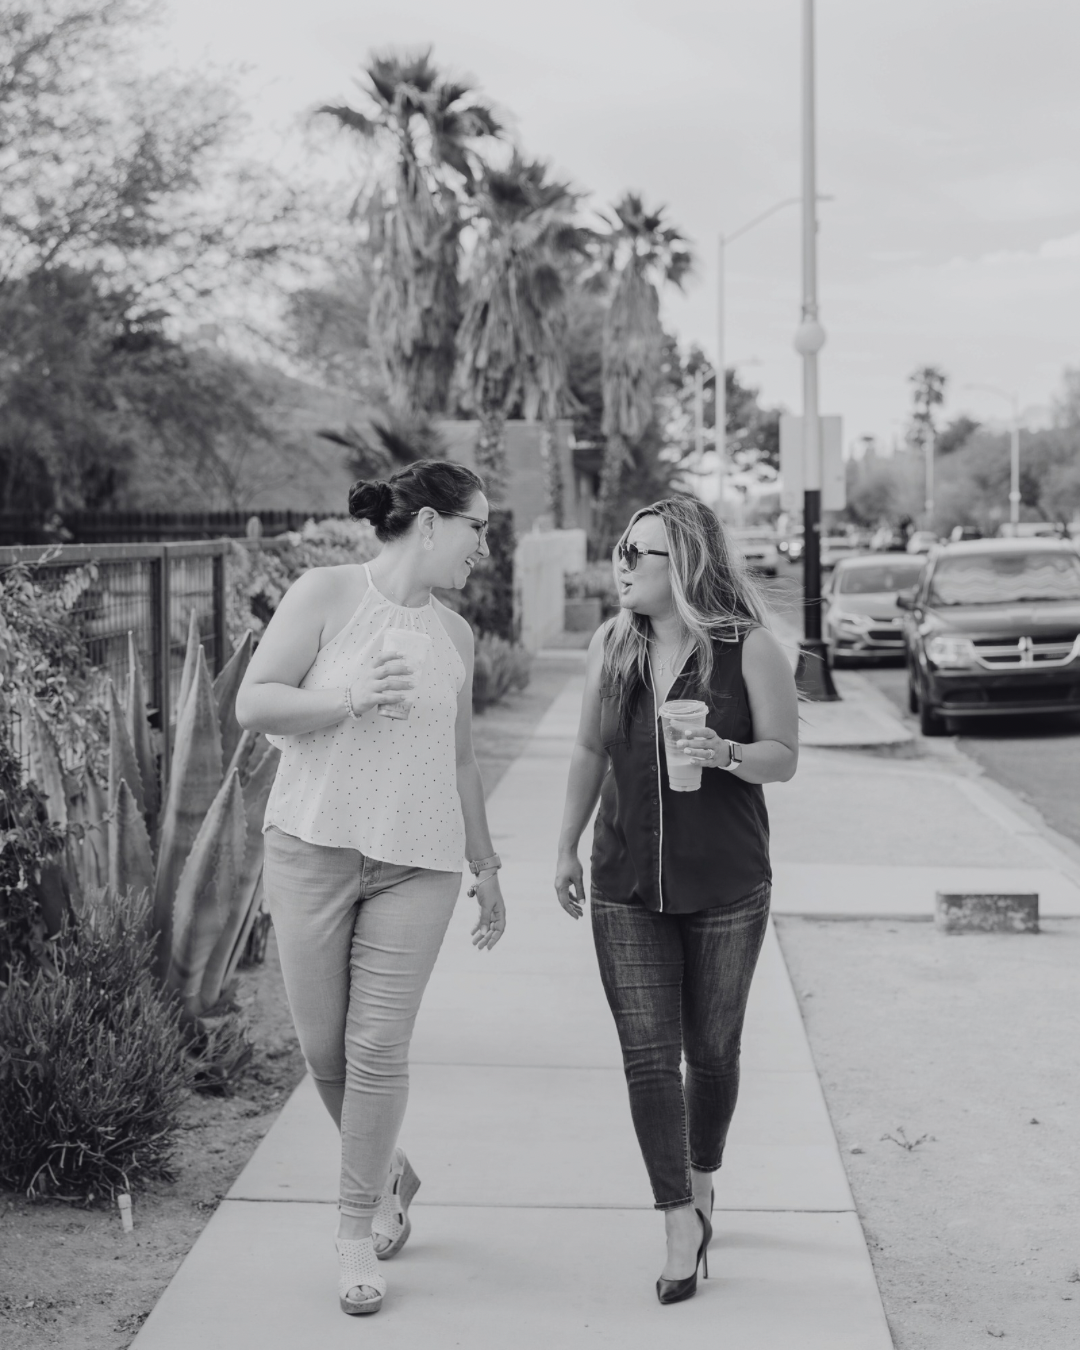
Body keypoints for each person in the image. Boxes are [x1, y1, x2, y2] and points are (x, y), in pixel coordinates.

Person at [235, 460, 507, 1317]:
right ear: (429, 524)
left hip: (416, 862)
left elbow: (461, 760)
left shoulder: (456, 638)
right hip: (312, 848)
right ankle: (389, 1167)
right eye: (477, 528)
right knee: (325, 1054)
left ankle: (357, 1230)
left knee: (379, 1051)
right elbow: (253, 702)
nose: (484, 548)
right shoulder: (325, 593)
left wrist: (488, 867)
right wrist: (350, 695)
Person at [554, 497, 798, 1305]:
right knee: (649, 1059)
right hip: (625, 883)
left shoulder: (747, 649)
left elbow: (783, 759)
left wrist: (725, 751)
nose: (622, 564)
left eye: (641, 554)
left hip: (728, 885)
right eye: (621, 549)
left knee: (713, 1052)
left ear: (685, 565)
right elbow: (590, 748)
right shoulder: (611, 644)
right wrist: (564, 845)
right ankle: (677, 1220)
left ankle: (702, 1180)